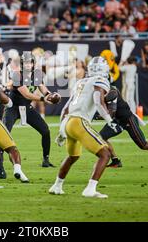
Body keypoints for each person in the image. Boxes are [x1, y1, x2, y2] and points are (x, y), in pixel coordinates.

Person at [50, 57, 112, 198]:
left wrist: (61, 129)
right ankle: (90, 189)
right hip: (79, 122)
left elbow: (65, 109)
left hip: (68, 122)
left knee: (73, 156)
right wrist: (109, 120)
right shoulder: (101, 80)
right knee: (105, 154)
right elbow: (98, 101)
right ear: (104, 69)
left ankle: (57, 186)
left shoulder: (80, 82)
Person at [98, 85, 148, 168]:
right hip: (117, 120)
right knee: (101, 137)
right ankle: (115, 161)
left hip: (128, 120)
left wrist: (96, 116)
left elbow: (111, 113)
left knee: (143, 145)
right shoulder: (99, 92)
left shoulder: (112, 92)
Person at [3, 52, 60, 167]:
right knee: (4, 134)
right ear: (22, 64)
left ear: (34, 63)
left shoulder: (37, 74)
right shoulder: (17, 75)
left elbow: (44, 89)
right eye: (26, 63)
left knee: (45, 130)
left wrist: (51, 95)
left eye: (30, 62)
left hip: (26, 108)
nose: (28, 65)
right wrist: (44, 99)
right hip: (13, 108)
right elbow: (27, 94)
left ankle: (46, 160)